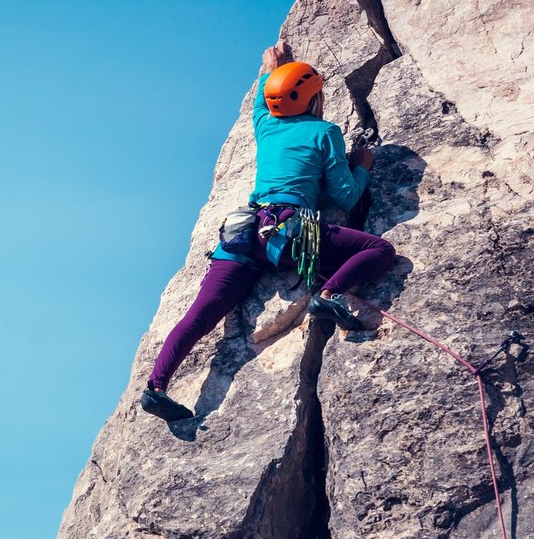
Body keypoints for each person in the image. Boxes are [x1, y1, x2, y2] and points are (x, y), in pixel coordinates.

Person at [139, 41, 397, 422]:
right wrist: (362, 164)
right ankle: (330, 295)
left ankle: (156, 388)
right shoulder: (325, 132)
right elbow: (346, 195)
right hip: (292, 233)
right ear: (314, 99)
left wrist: (274, 69)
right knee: (380, 250)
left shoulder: (266, 125)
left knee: (201, 314)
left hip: (244, 234)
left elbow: (266, 97)